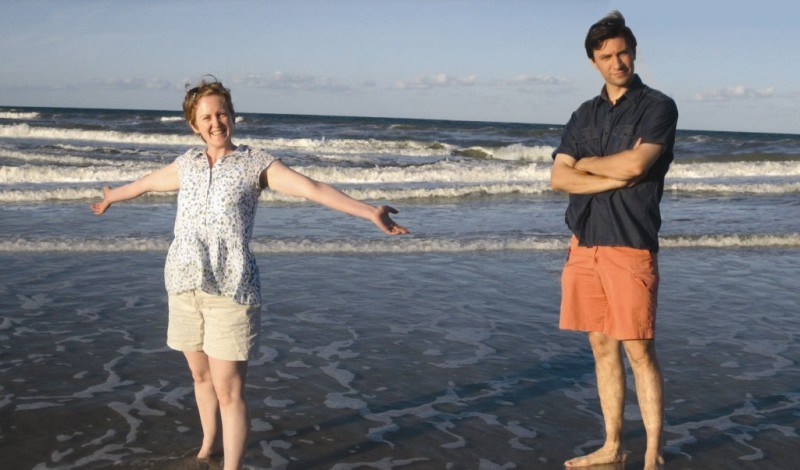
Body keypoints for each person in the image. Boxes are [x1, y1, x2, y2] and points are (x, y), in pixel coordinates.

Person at [90, 78, 408, 470]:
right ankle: (208, 447)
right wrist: (112, 197)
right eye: (206, 116)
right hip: (183, 283)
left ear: (233, 115)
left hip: (232, 289)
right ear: (193, 124)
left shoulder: (255, 163)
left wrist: (367, 211)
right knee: (201, 378)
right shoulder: (186, 163)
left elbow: (313, 188)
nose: (215, 122)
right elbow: (144, 185)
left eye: (221, 112)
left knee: (229, 390)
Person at [549, 11, 678, 470]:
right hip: (584, 244)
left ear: (634, 52)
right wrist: (599, 169)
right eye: (606, 56)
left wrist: (586, 165)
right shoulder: (583, 114)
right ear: (593, 62)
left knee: (639, 348)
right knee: (602, 346)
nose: (617, 62)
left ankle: (652, 454)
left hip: (629, 242)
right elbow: (557, 177)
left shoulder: (658, 106)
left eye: (622, 52)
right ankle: (612, 445)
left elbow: (636, 167)